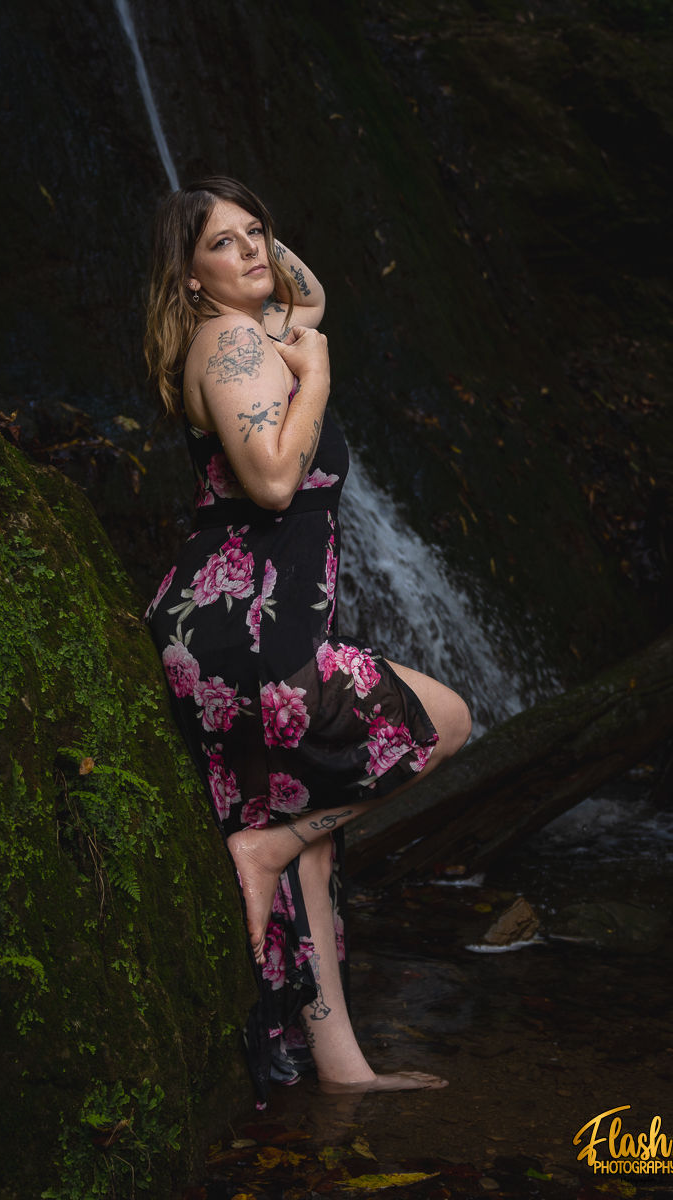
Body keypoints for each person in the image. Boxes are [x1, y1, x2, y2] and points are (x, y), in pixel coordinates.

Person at [143, 177, 471, 1104]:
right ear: (188, 276)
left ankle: (344, 1071)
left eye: (259, 234)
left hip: (238, 623)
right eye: (224, 244)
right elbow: (277, 484)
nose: (253, 252)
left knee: (316, 842)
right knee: (444, 723)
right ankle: (266, 849)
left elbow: (310, 293)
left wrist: (249, 246)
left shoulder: (252, 326)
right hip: (248, 632)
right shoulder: (241, 340)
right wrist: (317, 375)